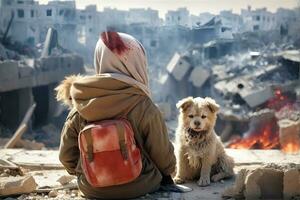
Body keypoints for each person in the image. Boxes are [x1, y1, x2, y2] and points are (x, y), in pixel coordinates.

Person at [58, 31, 176, 199]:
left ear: (99, 59)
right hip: (141, 185)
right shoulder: (143, 105)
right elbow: (163, 157)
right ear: (138, 61)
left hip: (92, 188)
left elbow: (66, 156)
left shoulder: (81, 104)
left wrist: (84, 172)